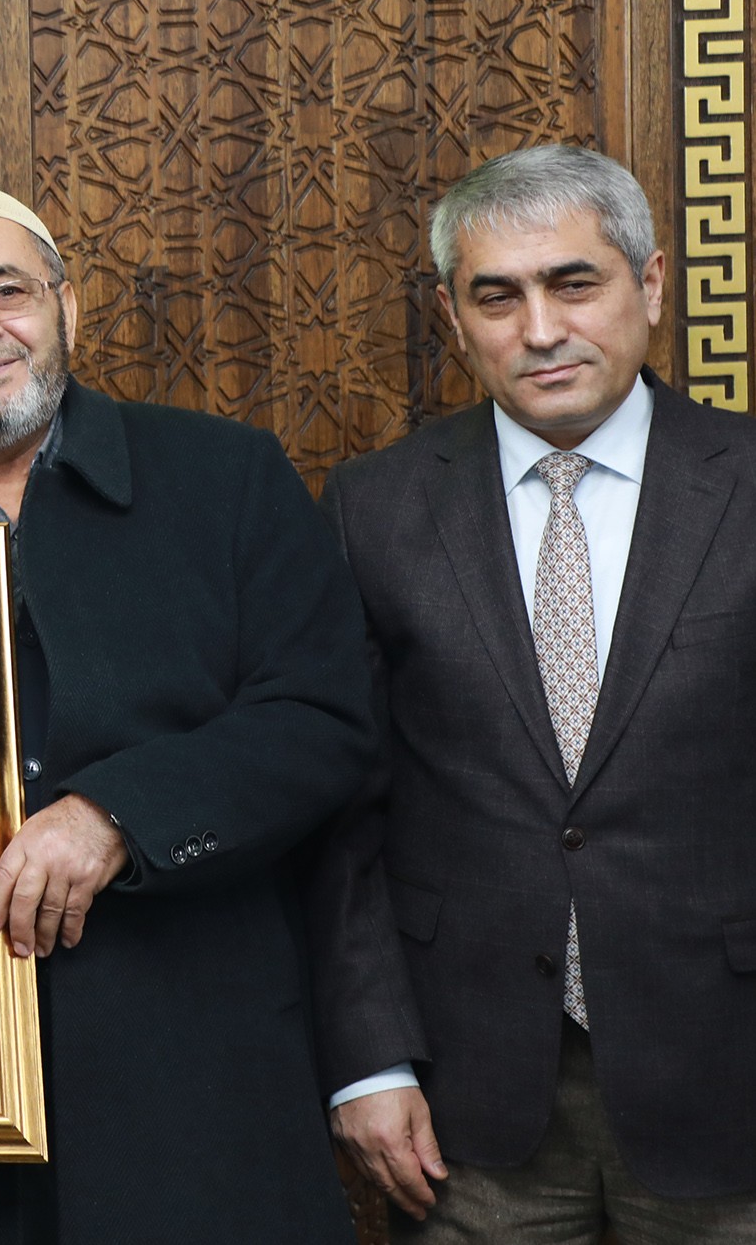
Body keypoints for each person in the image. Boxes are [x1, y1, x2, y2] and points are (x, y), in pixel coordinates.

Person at [0, 184, 375, 1245]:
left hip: (201, 1080)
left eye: (8, 291)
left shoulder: (224, 478)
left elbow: (322, 717)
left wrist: (113, 816)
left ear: (65, 309)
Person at [311, 145, 756, 1239]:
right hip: (467, 1099)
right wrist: (364, 1058)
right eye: (495, 297)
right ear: (452, 317)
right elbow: (338, 809)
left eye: (572, 282)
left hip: (728, 1068)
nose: (540, 329)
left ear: (648, 284)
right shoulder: (373, 509)